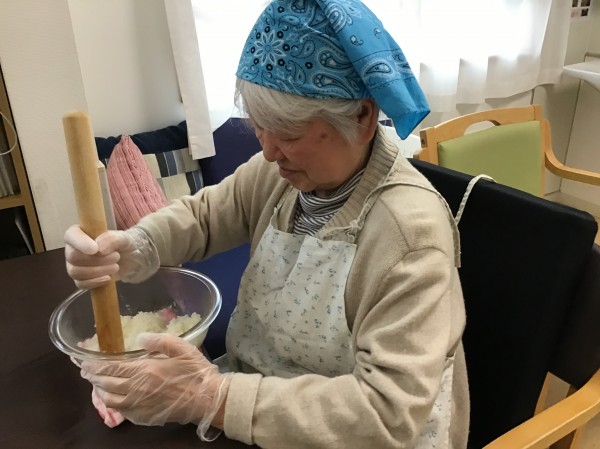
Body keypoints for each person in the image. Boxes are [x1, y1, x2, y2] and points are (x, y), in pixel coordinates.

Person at [64, 1, 469, 448]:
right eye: (260, 128)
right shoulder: (278, 173)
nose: (270, 153)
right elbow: (204, 216)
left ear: (363, 118)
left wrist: (210, 396)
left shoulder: (409, 236)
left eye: (289, 134)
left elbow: (387, 415)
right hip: (260, 398)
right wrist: (135, 245)